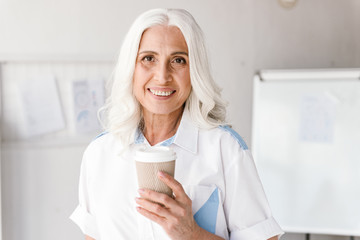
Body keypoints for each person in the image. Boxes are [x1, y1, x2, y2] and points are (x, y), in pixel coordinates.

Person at [70, 8, 284, 240]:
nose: (162, 76)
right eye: (148, 58)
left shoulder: (224, 148)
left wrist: (193, 234)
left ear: (195, 72)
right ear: (130, 67)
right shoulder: (99, 153)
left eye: (178, 60)